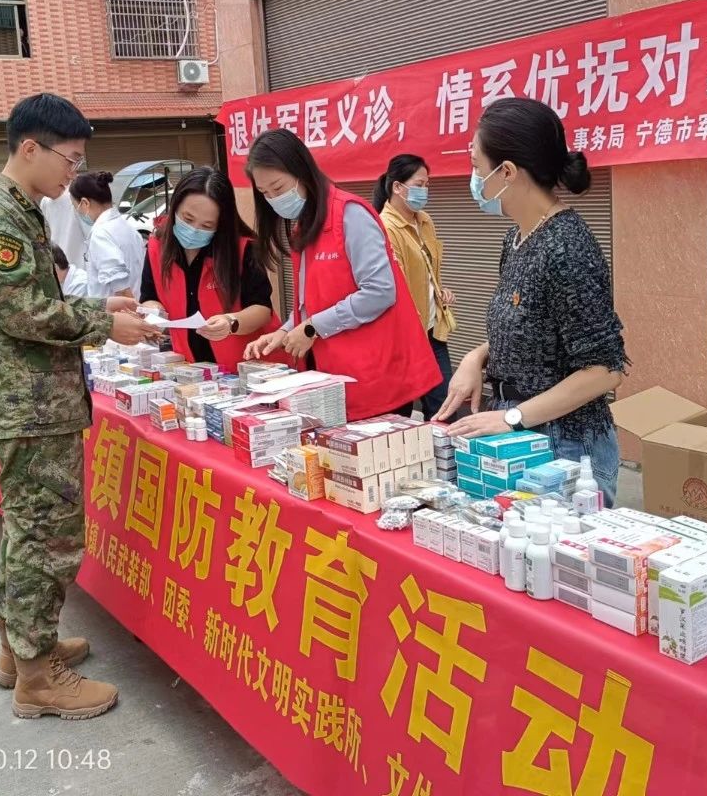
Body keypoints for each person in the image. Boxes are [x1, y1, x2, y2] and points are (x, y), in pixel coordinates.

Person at [0, 92, 162, 719]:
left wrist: (100, 307)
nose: (74, 173)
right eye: (70, 160)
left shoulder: (18, 209)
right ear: (30, 148)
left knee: (29, 531)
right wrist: (105, 324)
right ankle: (37, 678)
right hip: (31, 406)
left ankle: (22, 647)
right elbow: (25, 314)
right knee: (47, 537)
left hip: (35, 400)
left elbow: (35, 299)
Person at [437, 98, 628, 506]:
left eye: (477, 167)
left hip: (565, 446)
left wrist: (512, 417)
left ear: (507, 172)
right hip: (518, 435)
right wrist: (476, 358)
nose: (474, 179)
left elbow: (604, 370)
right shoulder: (517, 238)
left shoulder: (567, 246)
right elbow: (531, 327)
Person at [242, 129, 439, 421]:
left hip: (374, 378)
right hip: (333, 377)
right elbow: (311, 302)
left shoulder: (350, 214)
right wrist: (283, 332)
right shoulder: (304, 227)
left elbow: (379, 292)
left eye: (278, 187)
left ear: (302, 172)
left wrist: (311, 328)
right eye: (264, 193)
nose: (273, 198)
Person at [141, 168, 280, 371]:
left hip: (247, 365)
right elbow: (149, 296)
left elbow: (262, 310)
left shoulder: (243, 249)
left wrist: (230, 322)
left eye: (207, 225)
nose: (194, 230)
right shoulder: (157, 246)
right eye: (188, 219)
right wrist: (154, 313)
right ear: (175, 207)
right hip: (191, 367)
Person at [373, 155, 458, 420]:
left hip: (432, 330)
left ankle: (445, 449)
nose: (425, 191)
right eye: (419, 185)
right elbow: (396, 285)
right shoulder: (386, 227)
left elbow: (426, 268)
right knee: (400, 412)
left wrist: (438, 290)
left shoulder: (424, 221)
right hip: (405, 336)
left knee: (444, 407)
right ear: (398, 187)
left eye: (427, 185)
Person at [70, 171, 144, 300]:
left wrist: (134, 309)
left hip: (119, 310)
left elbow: (121, 288)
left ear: (85, 203)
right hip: (135, 302)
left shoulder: (101, 234)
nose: (77, 211)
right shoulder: (128, 228)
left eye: (75, 206)